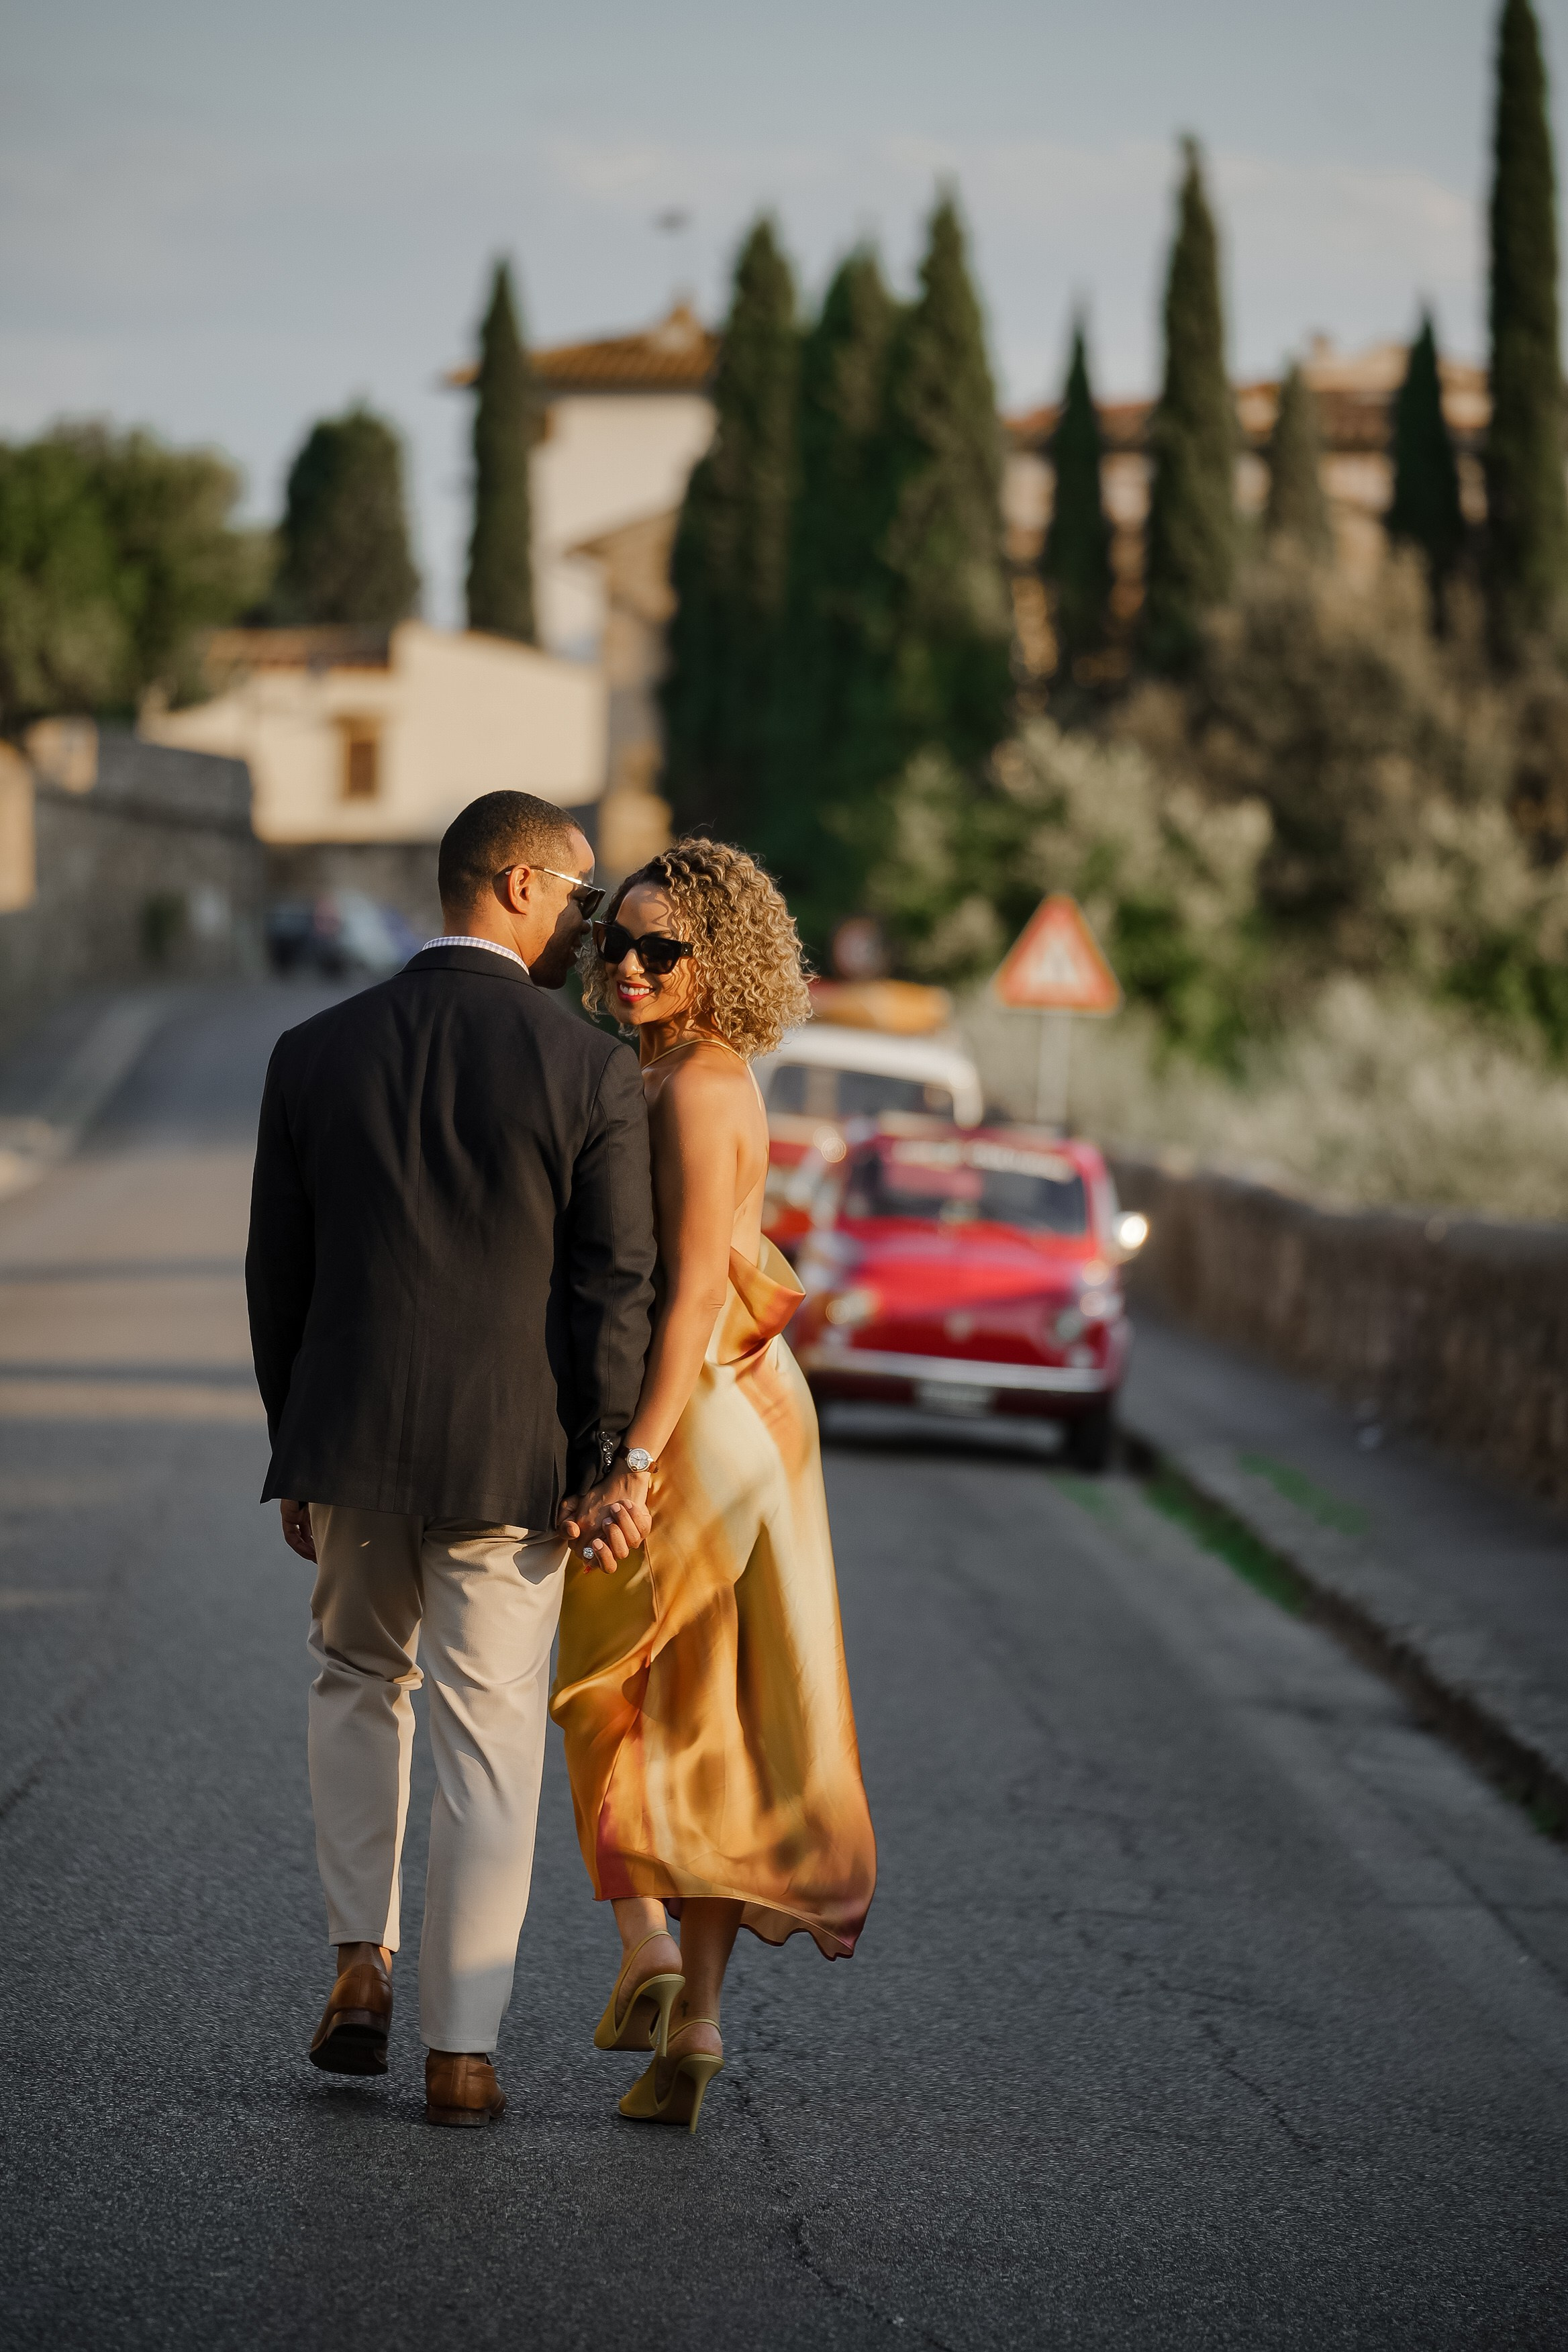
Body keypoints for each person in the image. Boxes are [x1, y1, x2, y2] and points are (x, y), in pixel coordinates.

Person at [246, 791, 657, 2128]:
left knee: (356, 1683)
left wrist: (297, 1446)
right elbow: (615, 1286)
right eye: (582, 897)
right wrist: (604, 1457)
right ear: (521, 884)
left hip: (350, 1442)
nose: (590, 927)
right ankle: (461, 2057)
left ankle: (359, 1966)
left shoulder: (313, 1051)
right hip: (513, 1460)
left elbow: (277, 1277)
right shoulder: (588, 1067)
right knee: (489, 1737)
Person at [551, 838, 877, 2136]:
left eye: (661, 949)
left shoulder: (696, 1083)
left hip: (706, 1409)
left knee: (588, 1679)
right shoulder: (662, 1068)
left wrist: (633, 1461)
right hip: (740, 1406)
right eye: (615, 941)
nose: (629, 965)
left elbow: (691, 1292)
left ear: (718, 958)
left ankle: (646, 1940)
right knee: (701, 1718)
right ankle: (694, 2024)